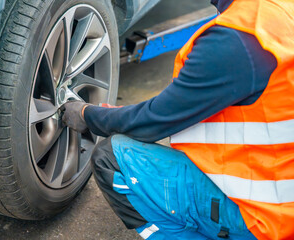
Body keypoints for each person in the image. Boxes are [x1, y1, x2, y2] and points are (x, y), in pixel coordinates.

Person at [61, 0, 294, 239]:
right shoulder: (275, 13)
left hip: (268, 217)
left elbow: (153, 122)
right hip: (282, 184)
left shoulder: (236, 39)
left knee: (111, 158)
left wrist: (87, 114)